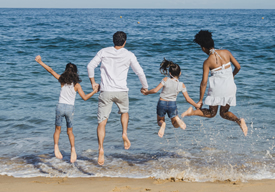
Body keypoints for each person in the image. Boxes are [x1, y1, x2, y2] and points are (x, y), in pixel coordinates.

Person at [87, 31, 148, 165]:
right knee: (124, 112)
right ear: (125, 42)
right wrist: (145, 87)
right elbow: (140, 72)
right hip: (121, 91)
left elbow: (90, 66)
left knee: (102, 122)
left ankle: (101, 148)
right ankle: (124, 133)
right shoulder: (129, 54)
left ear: (113, 41)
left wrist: (93, 83)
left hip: (106, 91)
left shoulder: (103, 51)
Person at [181, 30, 248, 136]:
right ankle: (239, 121)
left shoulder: (207, 62)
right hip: (230, 87)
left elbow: (204, 82)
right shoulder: (226, 52)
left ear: (203, 48)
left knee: (212, 113)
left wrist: (200, 100)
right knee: (224, 113)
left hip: (218, 88)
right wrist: (231, 75)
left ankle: (192, 112)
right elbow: (238, 67)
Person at [35, 55, 98, 163]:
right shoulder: (77, 85)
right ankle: (73, 149)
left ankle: (56, 147)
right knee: (70, 132)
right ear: (75, 72)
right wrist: (94, 91)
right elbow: (84, 98)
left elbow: (50, 70)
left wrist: (40, 62)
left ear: (65, 71)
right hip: (70, 109)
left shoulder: (61, 80)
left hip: (60, 107)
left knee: (57, 130)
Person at [141, 58, 200, 138]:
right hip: (172, 104)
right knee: (175, 125)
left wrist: (146, 92)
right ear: (180, 73)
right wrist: (196, 105)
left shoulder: (166, 79)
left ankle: (163, 124)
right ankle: (177, 119)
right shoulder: (181, 84)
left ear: (170, 73)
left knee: (160, 121)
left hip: (162, 103)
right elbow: (188, 99)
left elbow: (155, 90)